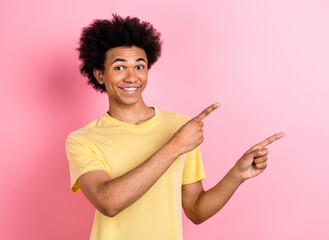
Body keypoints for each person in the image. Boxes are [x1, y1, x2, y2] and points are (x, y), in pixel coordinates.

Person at [65, 14, 285, 240]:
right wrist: (176, 145)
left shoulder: (179, 126)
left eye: (139, 66)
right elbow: (109, 202)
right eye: (119, 68)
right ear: (100, 75)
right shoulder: (83, 140)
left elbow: (196, 210)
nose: (132, 77)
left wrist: (237, 174)